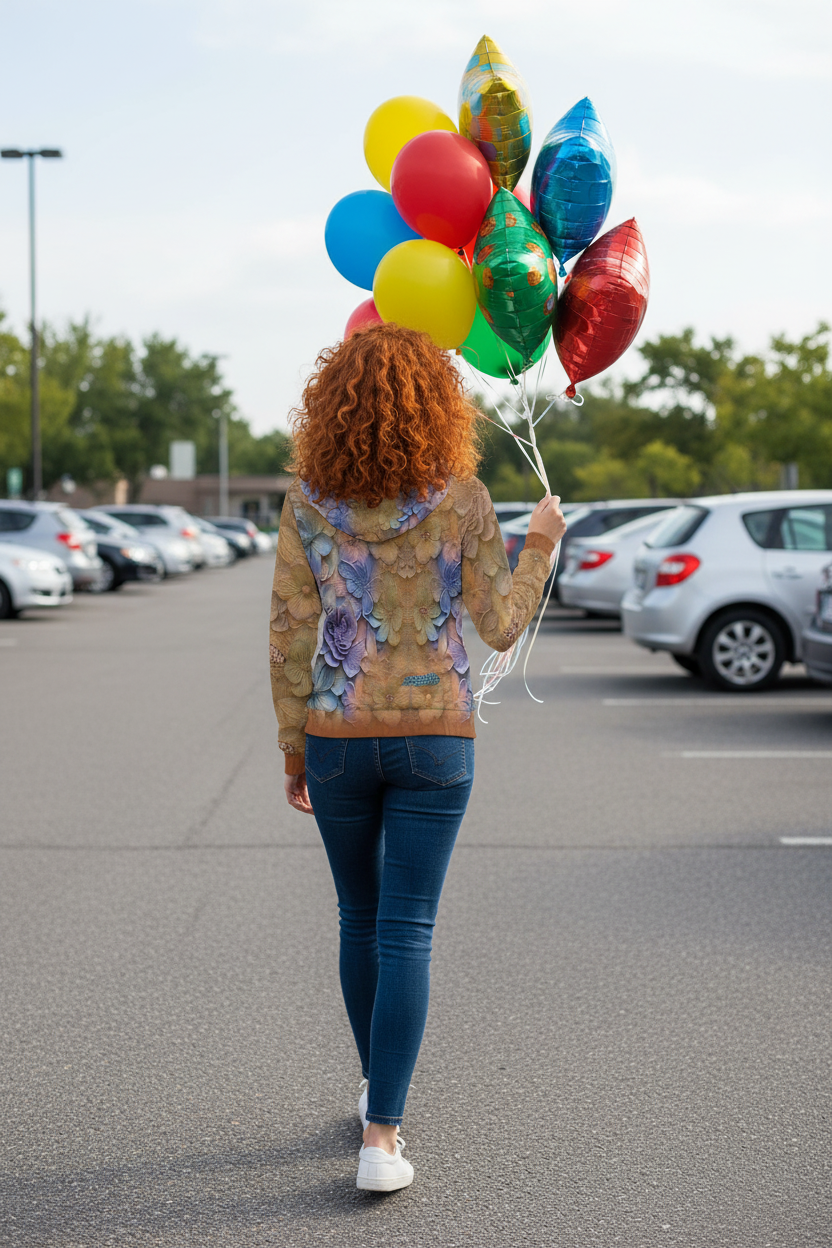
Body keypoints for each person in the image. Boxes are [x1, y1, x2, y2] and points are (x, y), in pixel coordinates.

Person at [269, 322, 565, 1192]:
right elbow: (501, 624)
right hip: (436, 734)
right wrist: (540, 542)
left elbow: (289, 635)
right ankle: (382, 1136)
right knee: (407, 930)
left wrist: (294, 746)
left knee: (359, 919)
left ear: (331, 407)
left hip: (336, 736)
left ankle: (374, 1094)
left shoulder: (305, 504)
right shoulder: (464, 497)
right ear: (438, 406)